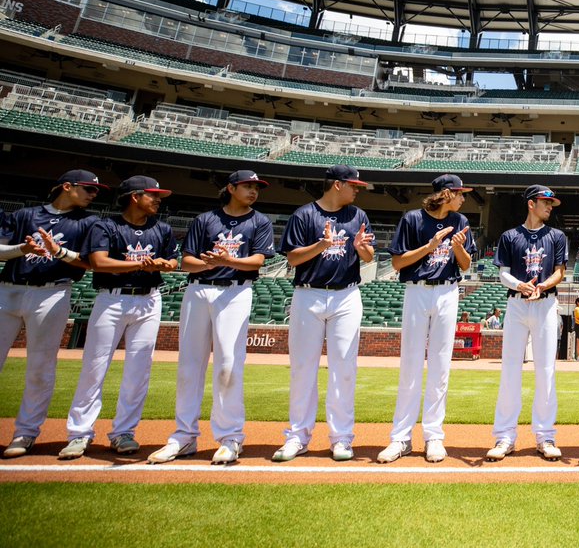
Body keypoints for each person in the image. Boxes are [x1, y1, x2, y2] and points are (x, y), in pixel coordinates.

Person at [148, 171, 275, 466]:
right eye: (247, 186)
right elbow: (187, 261)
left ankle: (230, 437)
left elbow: (257, 261)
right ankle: (184, 436)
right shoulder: (206, 219)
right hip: (199, 290)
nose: (253, 191)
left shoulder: (260, 221)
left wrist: (226, 260)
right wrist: (210, 262)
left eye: (256, 187)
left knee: (229, 365)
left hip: (235, 292)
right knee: (189, 366)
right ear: (230, 188)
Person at [59, 175, 179, 460]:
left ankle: (124, 432)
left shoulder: (161, 228)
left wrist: (164, 264)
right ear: (135, 197)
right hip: (111, 298)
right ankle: (79, 434)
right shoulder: (107, 225)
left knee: (139, 370)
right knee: (94, 368)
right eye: (153, 195)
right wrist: (140, 264)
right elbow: (98, 262)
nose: (159, 200)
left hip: (149, 299)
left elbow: (174, 261)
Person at [273, 165, 374, 463]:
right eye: (353, 185)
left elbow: (369, 256)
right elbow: (292, 258)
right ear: (337, 185)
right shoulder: (304, 215)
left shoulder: (358, 216)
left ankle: (342, 438)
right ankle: (297, 437)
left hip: (346, 295)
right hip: (308, 293)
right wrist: (321, 245)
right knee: (303, 368)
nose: (357, 189)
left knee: (344, 368)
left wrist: (359, 248)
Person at [0, 170, 104, 458]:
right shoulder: (25, 215)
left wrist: (58, 251)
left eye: (96, 191)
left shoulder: (89, 222)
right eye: (88, 189)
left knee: (40, 366)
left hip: (53, 291)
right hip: (7, 289)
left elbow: (89, 262)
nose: (93, 194)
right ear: (67, 186)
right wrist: (21, 249)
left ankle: (25, 432)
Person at [378, 173, 475, 464]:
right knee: (410, 364)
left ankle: (434, 436)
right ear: (445, 194)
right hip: (417, 290)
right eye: (459, 193)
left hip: (448, 291)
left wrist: (457, 248)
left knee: (441, 366)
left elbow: (466, 264)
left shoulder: (460, 222)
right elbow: (397, 262)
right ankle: (401, 437)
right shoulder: (412, 219)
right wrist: (429, 247)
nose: (463, 198)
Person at [486, 185, 568, 462]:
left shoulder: (556, 236)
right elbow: (503, 274)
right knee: (510, 370)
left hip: (546, 304)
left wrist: (541, 286)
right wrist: (520, 285)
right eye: (546, 202)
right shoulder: (510, 236)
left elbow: (559, 271)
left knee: (546, 371)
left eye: (551, 203)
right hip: (517, 304)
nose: (550, 206)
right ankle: (505, 437)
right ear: (531, 204)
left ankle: (545, 436)